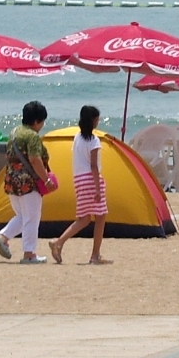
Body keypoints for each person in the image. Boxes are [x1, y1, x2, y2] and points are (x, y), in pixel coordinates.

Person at [51, 104, 111, 262]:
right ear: (93, 121)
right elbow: (94, 166)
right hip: (91, 180)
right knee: (100, 216)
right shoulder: (94, 140)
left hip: (79, 179)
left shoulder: (77, 137)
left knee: (84, 218)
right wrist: (98, 189)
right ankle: (95, 254)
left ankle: (59, 242)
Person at [0, 101, 53, 262]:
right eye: (42, 122)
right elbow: (35, 159)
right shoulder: (32, 136)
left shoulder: (14, 132)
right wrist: (46, 179)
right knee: (32, 218)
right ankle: (29, 254)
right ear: (36, 121)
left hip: (11, 180)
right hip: (28, 182)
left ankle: (3, 238)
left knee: (22, 215)